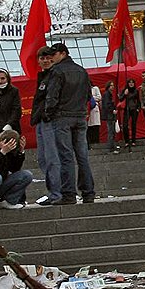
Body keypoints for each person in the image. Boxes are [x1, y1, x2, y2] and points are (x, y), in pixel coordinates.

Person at [42, 42, 96, 205]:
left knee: (66, 156)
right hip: (80, 116)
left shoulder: (57, 71)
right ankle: (88, 192)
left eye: (54, 54)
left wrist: (48, 113)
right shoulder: (81, 70)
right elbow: (88, 95)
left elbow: (52, 96)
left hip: (62, 117)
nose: (51, 57)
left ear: (63, 53)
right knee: (82, 156)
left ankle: (69, 194)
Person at [31, 46, 59, 204]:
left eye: (48, 57)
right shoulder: (42, 76)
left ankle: (57, 192)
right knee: (43, 159)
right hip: (41, 121)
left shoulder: (55, 75)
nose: (45, 61)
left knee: (52, 158)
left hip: (50, 120)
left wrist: (48, 114)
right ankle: (53, 191)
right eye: (42, 58)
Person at [0, 69, 22, 138]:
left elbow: (16, 110)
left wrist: (9, 125)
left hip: (13, 128)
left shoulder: (14, 91)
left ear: (7, 79)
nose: (0, 81)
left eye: (3, 78)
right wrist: (2, 127)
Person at [119, 78, 141, 151]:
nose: (131, 84)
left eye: (132, 82)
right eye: (130, 82)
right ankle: (127, 141)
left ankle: (133, 140)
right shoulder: (125, 90)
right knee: (125, 125)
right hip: (126, 109)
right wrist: (125, 94)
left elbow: (138, 100)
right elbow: (120, 99)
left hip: (134, 109)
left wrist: (138, 108)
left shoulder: (136, 91)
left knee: (133, 125)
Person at [103, 81, 119, 154]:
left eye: (113, 85)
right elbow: (107, 105)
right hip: (110, 115)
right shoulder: (107, 94)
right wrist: (112, 110)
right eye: (111, 85)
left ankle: (112, 147)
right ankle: (111, 148)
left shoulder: (108, 94)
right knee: (111, 132)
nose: (112, 87)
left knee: (112, 131)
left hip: (110, 115)